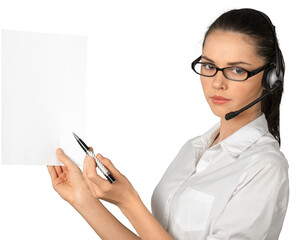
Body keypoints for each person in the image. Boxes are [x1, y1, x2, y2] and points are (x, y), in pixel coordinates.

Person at [47, 8, 289, 240]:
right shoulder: (193, 148)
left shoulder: (265, 166)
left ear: (271, 77)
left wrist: (128, 202)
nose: (217, 83)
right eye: (209, 66)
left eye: (237, 70)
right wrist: (83, 199)